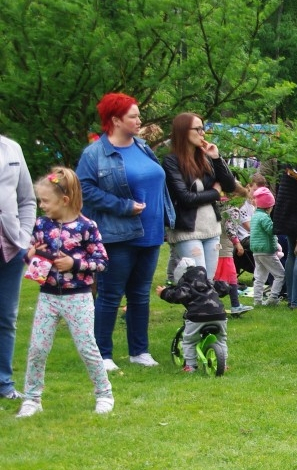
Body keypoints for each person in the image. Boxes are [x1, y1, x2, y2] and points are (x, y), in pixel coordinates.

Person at [78, 92, 175, 371]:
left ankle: (139, 351)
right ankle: (102, 355)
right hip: (118, 234)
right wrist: (123, 205)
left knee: (140, 294)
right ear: (116, 120)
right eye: (133, 116)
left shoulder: (143, 147)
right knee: (111, 294)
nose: (139, 120)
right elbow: (84, 190)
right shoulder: (95, 153)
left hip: (152, 232)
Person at [16, 167, 112, 417]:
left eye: (46, 201)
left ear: (65, 200)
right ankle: (32, 399)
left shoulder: (87, 227)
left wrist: (74, 264)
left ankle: (104, 394)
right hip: (47, 297)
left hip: (78, 298)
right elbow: (36, 259)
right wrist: (30, 257)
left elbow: (101, 261)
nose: (41, 205)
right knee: (37, 348)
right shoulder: (41, 225)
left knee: (87, 347)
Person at [163, 113, 237, 274]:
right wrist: (215, 193)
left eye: (203, 129)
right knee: (197, 282)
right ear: (183, 131)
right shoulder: (171, 161)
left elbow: (230, 186)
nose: (202, 133)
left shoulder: (206, 158)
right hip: (188, 230)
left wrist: (216, 158)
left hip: (212, 229)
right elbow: (186, 198)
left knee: (207, 284)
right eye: (197, 129)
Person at [0, 135, 35, 401]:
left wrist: (23, 236)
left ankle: (4, 385)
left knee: (6, 317)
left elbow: (27, 199)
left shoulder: (12, 147)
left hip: (10, 248)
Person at [157, 259, 230, 374]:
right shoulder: (208, 282)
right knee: (221, 339)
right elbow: (224, 288)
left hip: (197, 316)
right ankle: (223, 364)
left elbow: (177, 296)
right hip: (219, 315)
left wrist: (164, 292)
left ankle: (190, 367)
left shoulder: (186, 285)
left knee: (189, 341)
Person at [272, 160, 297, 311]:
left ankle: (291, 298)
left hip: (287, 207)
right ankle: (296, 301)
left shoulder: (290, 154)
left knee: (293, 254)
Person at [214, 196, 253, 316]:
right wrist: (237, 243)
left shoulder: (218, 205)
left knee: (221, 277)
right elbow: (230, 228)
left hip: (216, 246)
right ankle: (230, 305)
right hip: (225, 248)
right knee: (229, 277)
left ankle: (232, 305)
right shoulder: (233, 210)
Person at [249, 186, 285, 306]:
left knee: (259, 277)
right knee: (280, 274)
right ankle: (273, 298)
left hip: (256, 251)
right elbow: (271, 230)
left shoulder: (254, 216)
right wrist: (278, 225)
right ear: (269, 206)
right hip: (266, 251)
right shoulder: (264, 217)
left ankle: (257, 300)